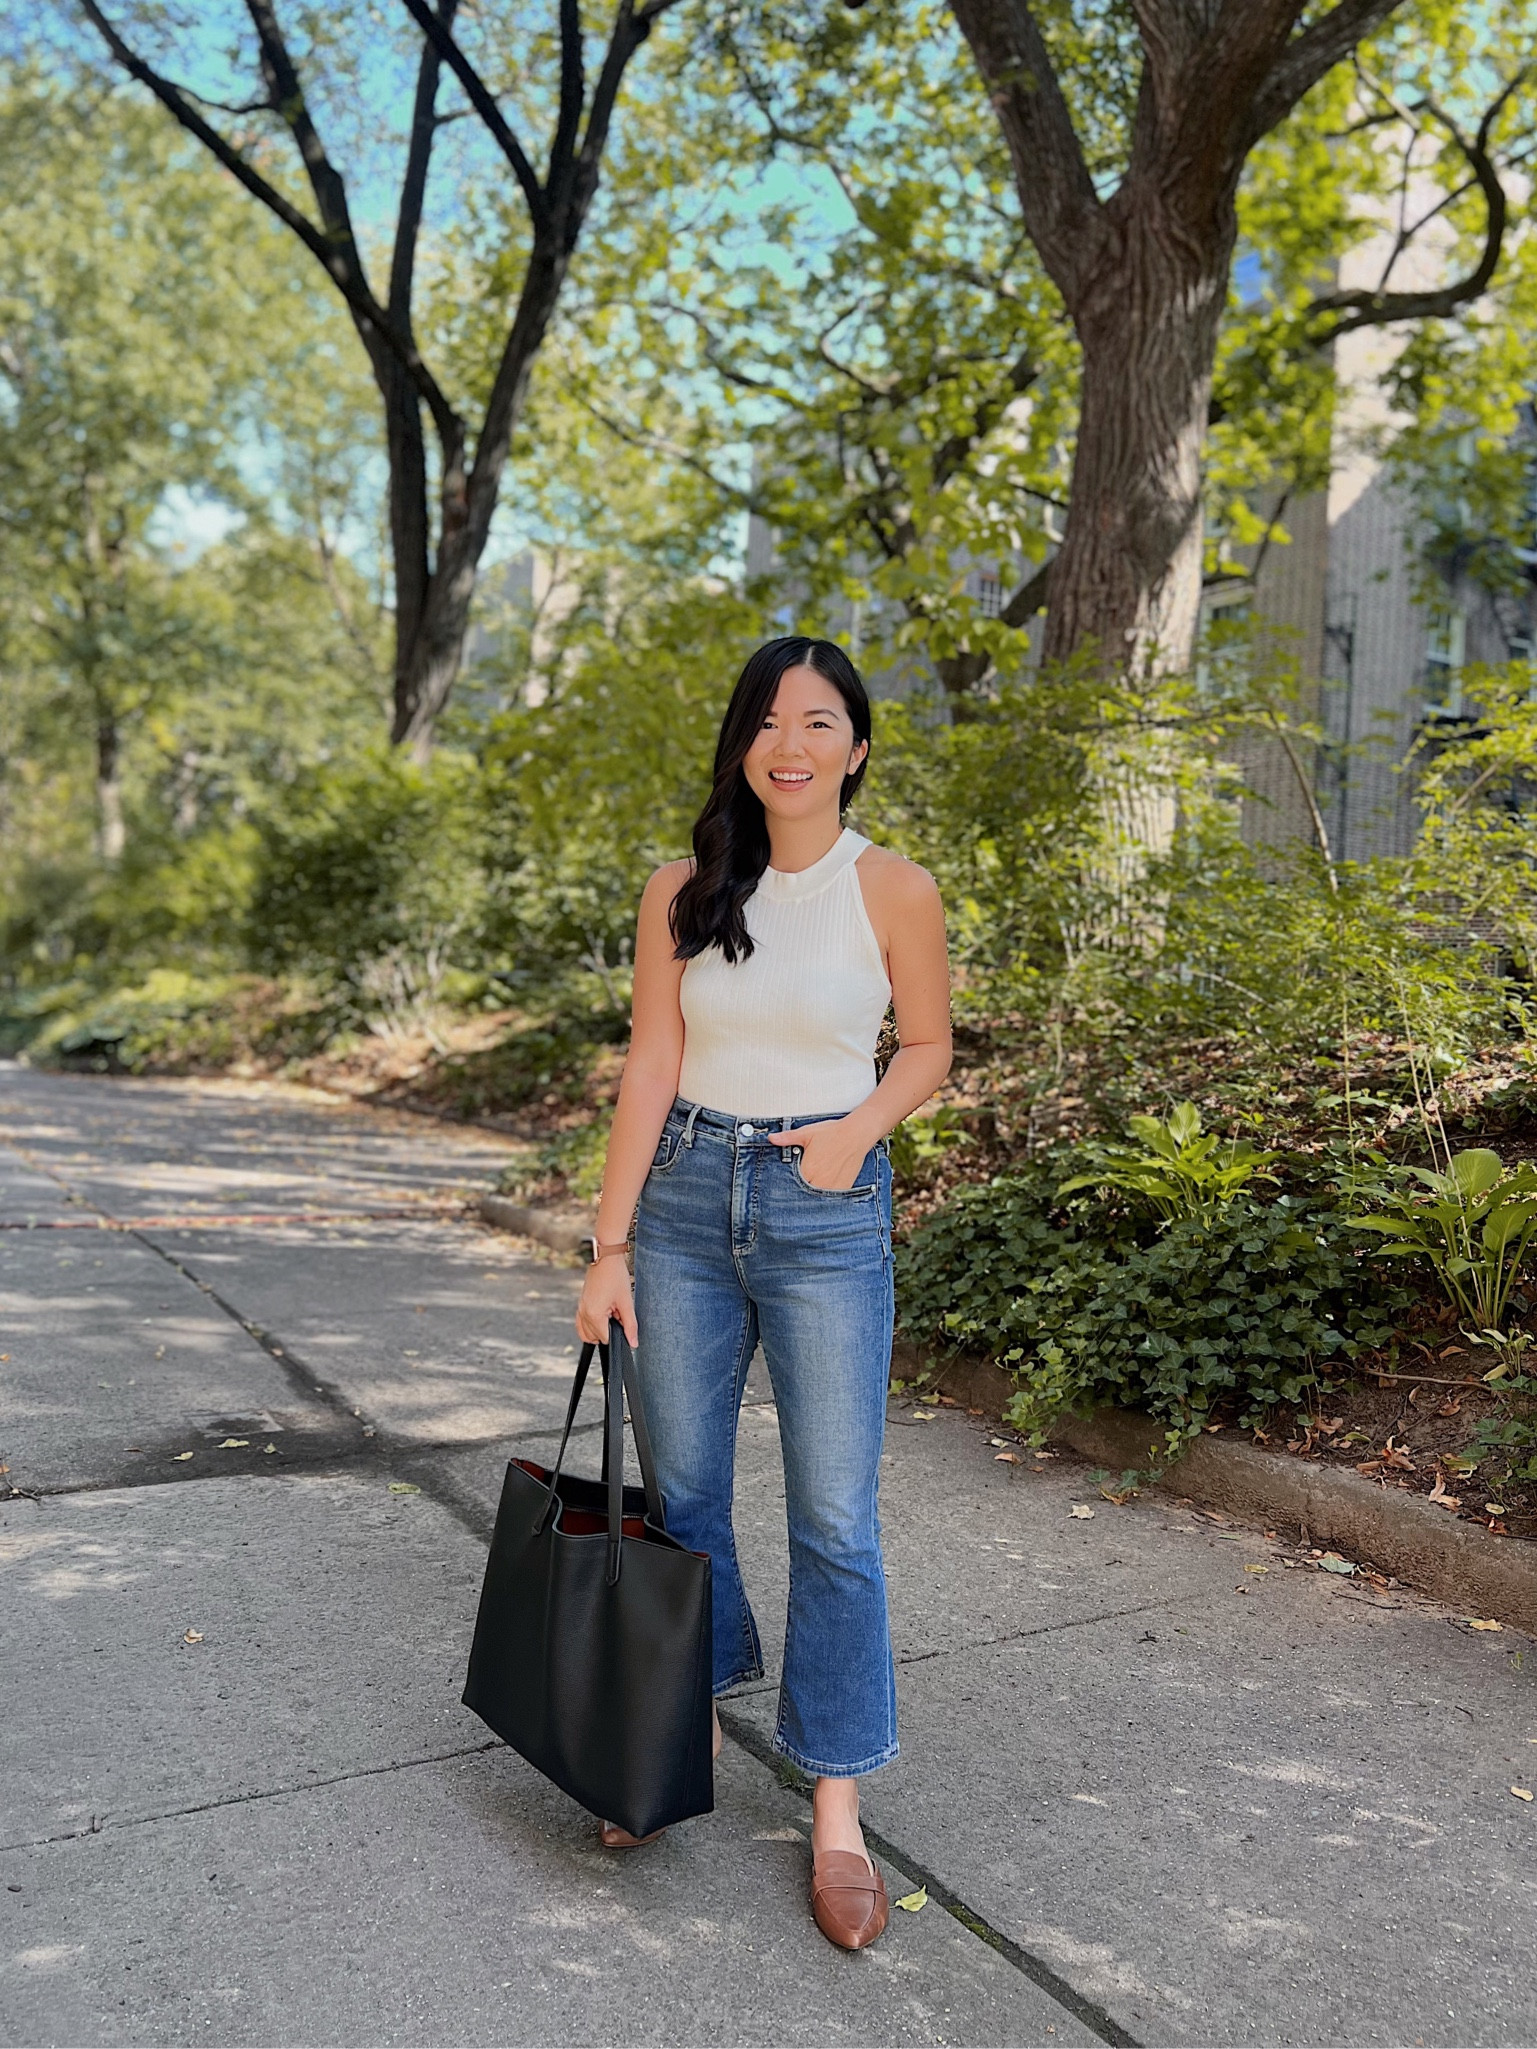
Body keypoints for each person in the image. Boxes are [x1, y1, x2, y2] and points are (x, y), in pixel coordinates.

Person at [576, 634, 951, 1950]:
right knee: (682, 1493)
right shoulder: (681, 890)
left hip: (823, 1208)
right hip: (681, 1205)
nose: (789, 745)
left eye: (817, 721)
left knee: (834, 1516)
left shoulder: (892, 887)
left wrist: (856, 1133)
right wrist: (607, 1247)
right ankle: (679, 1730)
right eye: (767, 722)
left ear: (856, 747)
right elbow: (649, 1062)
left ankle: (834, 1803)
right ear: (743, 745)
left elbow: (927, 1045)